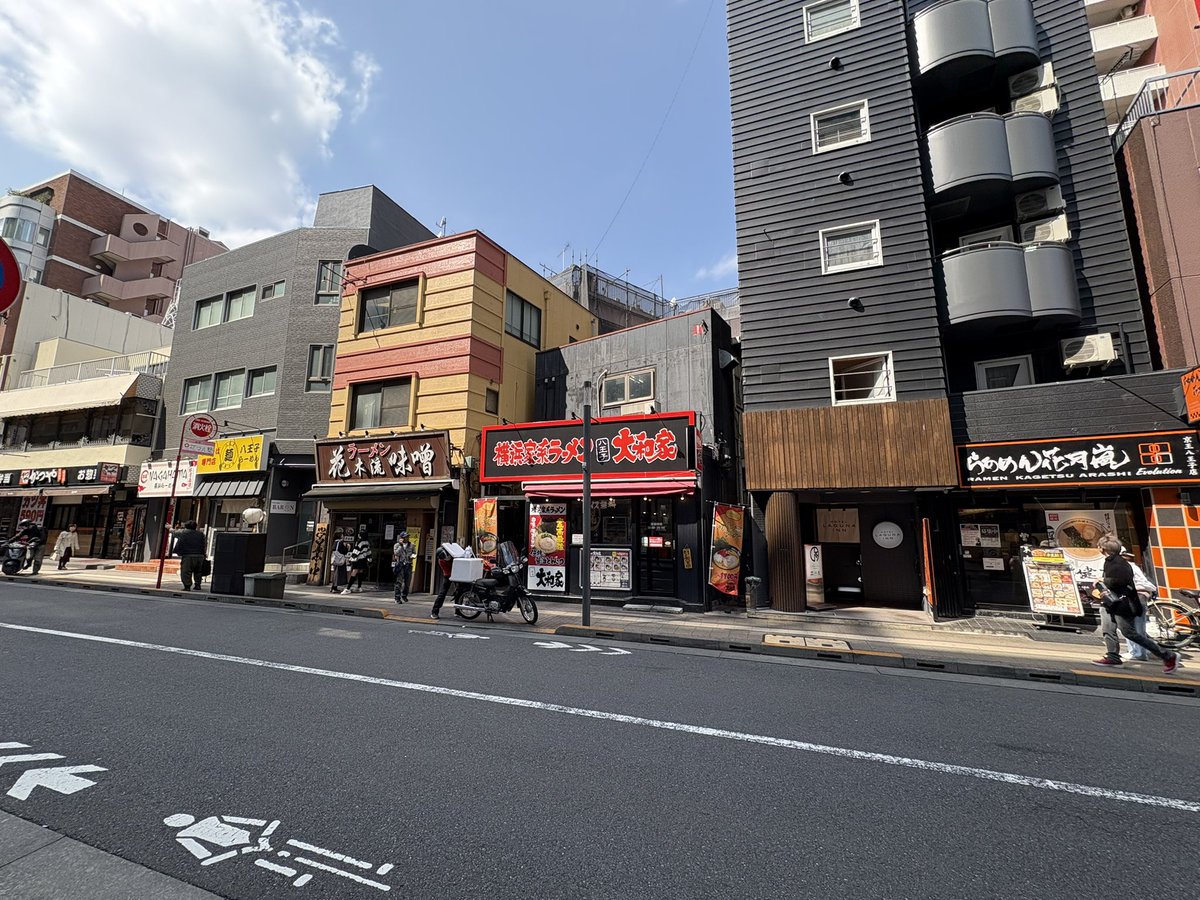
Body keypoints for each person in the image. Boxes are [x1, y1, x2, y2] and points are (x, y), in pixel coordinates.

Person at [1092, 535, 1179, 673]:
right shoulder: (1112, 561)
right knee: (1108, 628)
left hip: (1121, 603)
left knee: (1130, 633)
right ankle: (1113, 656)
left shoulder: (1118, 563)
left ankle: (1167, 655)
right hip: (1111, 602)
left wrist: (1103, 581)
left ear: (1102, 549)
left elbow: (1121, 581)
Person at [1121, 546, 1157, 662]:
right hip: (1136, 596)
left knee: (1134, 626)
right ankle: (1138, 650)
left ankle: (1139, 653)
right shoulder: (1130, 566)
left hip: (1136, 596)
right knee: (1134, 625)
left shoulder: (1126, 567)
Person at [431, 541, 473, 619]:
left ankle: (458, 611)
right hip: (448, 576)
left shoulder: (453, 554)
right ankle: (435, 611)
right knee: (442, 593)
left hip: (457, 573)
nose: (445, 558)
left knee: (459, 592)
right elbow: (447, 572)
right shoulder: (441, 561)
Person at [170, 520, 207, 591]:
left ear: (186, 527)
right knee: (198, 571)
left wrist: (169, 528)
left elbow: (174, 532)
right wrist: (204, 554)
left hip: (188, 555)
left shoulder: (184, 532)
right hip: (200, 555)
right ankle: (197, 585)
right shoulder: (201, 534)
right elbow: (204, 544)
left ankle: (187, 586)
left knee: (186, 571)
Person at [391, 531, 415, 604]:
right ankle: (397, 597)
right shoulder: (397, 545)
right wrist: (401, 546)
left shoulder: (412, 545)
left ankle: (404, 595)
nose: (407, 538)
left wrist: (413, 556)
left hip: (408, 564)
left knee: (407, 582)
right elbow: (396, 553)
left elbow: (414, 553)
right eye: (405, 537)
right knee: (399, 582)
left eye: (408, 537)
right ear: (401, 538)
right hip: (400, 565)